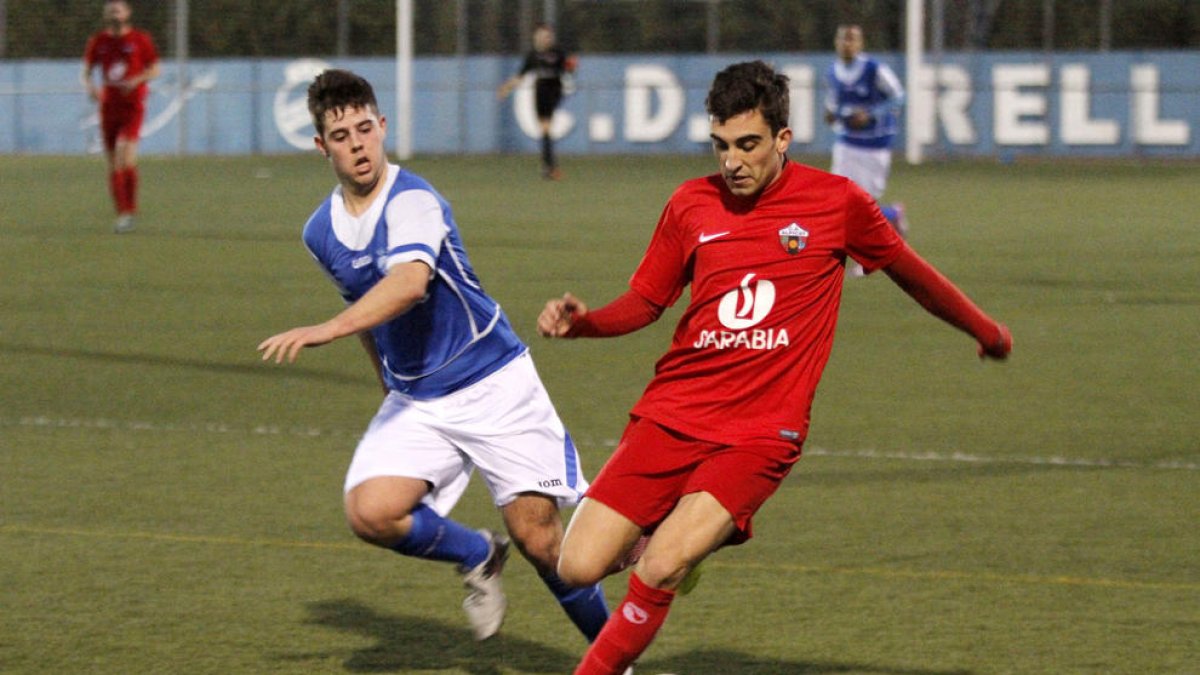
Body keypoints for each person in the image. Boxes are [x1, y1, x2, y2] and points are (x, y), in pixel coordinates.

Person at [537, 60, 1012, 675]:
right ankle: (683, 537)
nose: (731, 161)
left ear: (783, 139)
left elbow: (913, 277)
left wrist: (986, 331)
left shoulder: (836, 203)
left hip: (763, 430)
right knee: (576, 567)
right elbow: (648, 303)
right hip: (672, 412)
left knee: (659, 568)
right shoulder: (690, 204)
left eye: (748, 145)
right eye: (720, 145)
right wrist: (588, 321)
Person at [257, 69, 612, 646]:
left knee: (546, 546)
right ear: (321, 146)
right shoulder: (320, 231)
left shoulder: (414, 199)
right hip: (418, 399)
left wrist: (328, 330)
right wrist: (386, 385)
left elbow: (408, 284)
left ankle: (617, 652)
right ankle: (478, 554)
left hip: (492, 381)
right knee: (370, 511)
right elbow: (368, 307)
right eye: (342, 136)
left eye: (365, 129)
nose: (358, 145)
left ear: (383, 126)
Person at [823, 23, 907, 275]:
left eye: (852, 40)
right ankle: (859, 259)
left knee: (864, 203)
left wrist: (871, 114)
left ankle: (891, 216)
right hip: (847, 142)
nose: (847, 44)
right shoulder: (833, 73)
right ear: (837, 43)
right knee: (839, 200)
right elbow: (834, 106)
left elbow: (899, 97)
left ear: (860, 44)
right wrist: (831, 115)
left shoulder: (874, 69)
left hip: (875, 143)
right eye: (843, 39)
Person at [82, 0, 160, 234]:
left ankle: (129, 212)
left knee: (124, 154)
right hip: (109, 109)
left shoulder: (140, 39)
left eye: (119, 7)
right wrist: (91, 88)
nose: (114, 11)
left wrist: (137, 80)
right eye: (110, 8)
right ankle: (123, 213)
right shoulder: (98, 41)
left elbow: (155, 68)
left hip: (132, 108)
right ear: (106, 14)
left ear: (128, 13)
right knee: (115, 163)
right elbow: (86, 72)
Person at [496, 23, 577, 180]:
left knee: (546, 127)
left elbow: (568, 69)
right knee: (544, 130)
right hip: (540, 92)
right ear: (536, 38)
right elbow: (521, 76)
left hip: (554, 90)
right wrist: (506, 88)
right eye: (541, 36)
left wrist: (572, 66)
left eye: (547, 36)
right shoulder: (533, 55)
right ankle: (549, 167)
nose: (545, 39)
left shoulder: (557, 52)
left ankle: (550, 167)